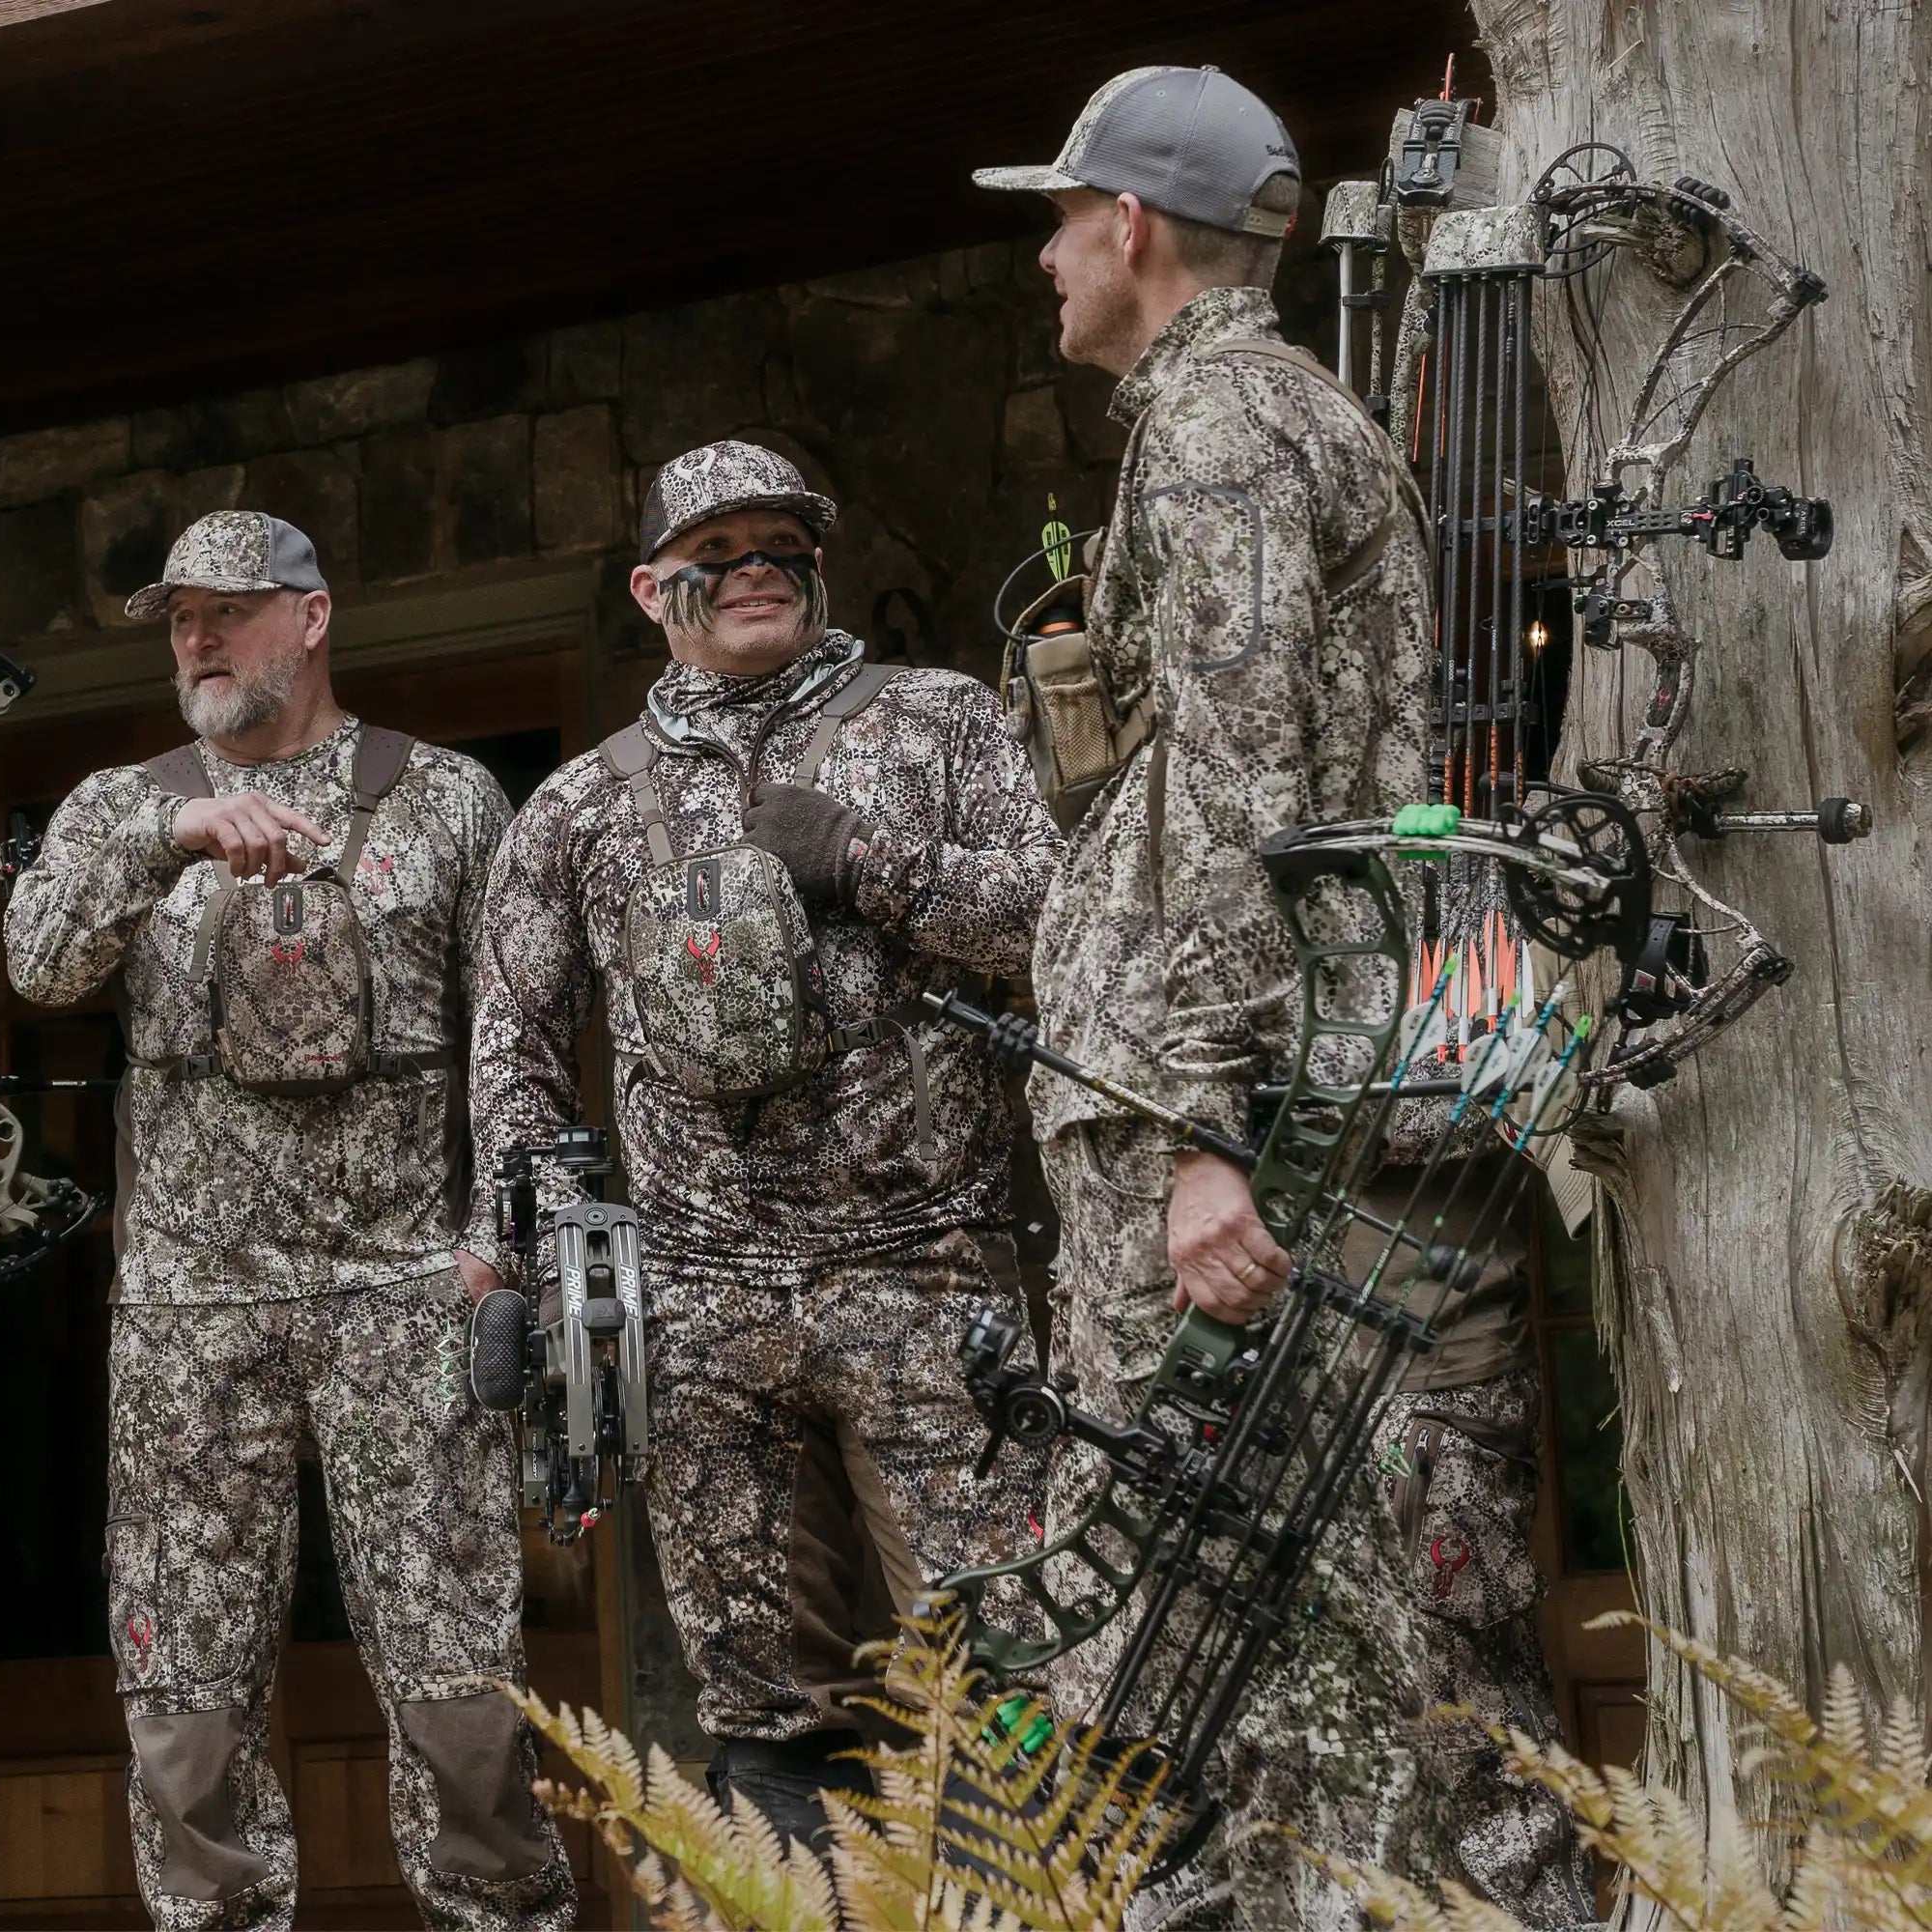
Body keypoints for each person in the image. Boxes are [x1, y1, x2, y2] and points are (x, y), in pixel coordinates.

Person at [975, 65, 1587, 1927]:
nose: (1048, 264)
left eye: (1060, 222)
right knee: (1289, 1658)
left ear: (1134, 231)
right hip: (1289, 1107)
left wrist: (1191, 1137)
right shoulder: (1258, 419)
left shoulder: (1230, 427)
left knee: (1283, 1649)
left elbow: (1249, 794)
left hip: (1247, 1142)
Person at [466, 440, 1062, 1846]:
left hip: (930, 1281)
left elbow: (1058, 928)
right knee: (761, 1706)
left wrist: (865, 859)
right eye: (715, 554)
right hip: (702, 1303)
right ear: (651, 588)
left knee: (1000, 1676)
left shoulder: (936, 722)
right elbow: (518, 1045)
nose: (753, 575)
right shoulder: (583, 804)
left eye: (779, 549)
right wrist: (521, 1263)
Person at [2, 510, 572, 1932]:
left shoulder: (444, 799)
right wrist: (168, 833)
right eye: (179, 617)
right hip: (195, 1312)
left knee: (464, 1706)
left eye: (228, 611)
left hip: (405, 1299)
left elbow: (521, 1044)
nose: (196, 639)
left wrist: (501, 1250)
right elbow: (41, 961)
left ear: (311, 619)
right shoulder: (117, 802)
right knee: (186, 1708)